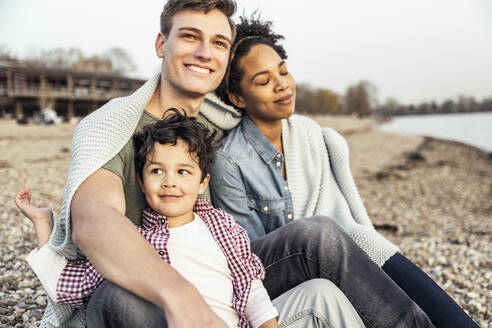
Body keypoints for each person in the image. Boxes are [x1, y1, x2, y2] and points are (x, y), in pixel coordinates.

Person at [26, 0, 432, 327]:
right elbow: (94, 219)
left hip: (219, 278)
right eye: (189, 36)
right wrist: (179, 294)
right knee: (120, 297)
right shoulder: (113, 124)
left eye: (219, 42)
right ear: (160, 45)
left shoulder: (221, 121)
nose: (205, 52)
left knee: (320, 235)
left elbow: (272, 113)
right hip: (144, 296)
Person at [210, 15, 478, 328]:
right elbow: (251, 259)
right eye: (264, 81)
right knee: (323, 234)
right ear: (238, 98)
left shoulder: (307, 133)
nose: (282, 84)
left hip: (331, 253)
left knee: (374, 250)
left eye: (283, 71)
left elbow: (345, 222)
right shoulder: (229, 162)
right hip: (273, 275)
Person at [17, 110, 365, 328]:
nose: (170, 181)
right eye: (157, 171)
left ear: (202, 183)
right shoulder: (136, 242)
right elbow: (65, 282)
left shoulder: (220, 226)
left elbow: (248, 284)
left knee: (322, 293)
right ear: (141, 181)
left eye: (183, 171)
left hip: (241, 323)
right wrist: (43, 223)